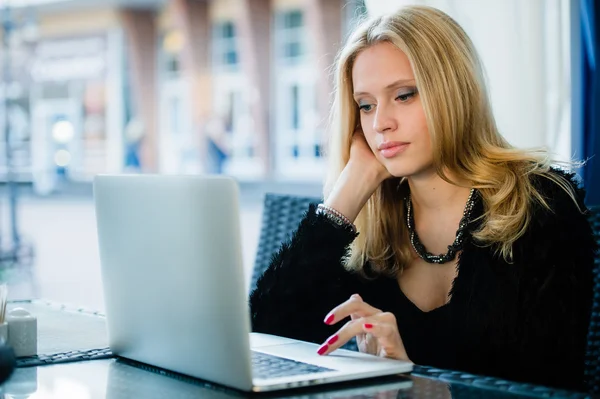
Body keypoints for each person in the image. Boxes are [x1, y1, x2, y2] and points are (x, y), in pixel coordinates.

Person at [249, 5, 595, 392]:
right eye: (366, 105)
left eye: (404, 95)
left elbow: (551, 386)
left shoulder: (540, 207)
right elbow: (264, 340)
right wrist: (348, 192)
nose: (381, 122)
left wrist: (413, 379)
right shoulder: (371, 221)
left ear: (453, 92)